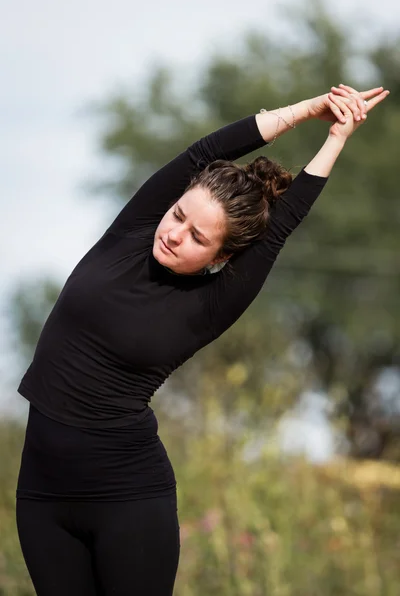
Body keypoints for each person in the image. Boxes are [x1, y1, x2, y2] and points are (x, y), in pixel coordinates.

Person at [15, 83, 389, 596]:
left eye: (197, 237)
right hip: (42, 496)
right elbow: (204, 153)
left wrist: (336, 139)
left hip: (127, 499)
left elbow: (282, 226)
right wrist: (307, 109)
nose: (174, 234)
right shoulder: (130, 235)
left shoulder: (211, 304)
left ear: (219, 258)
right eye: (178, 216)